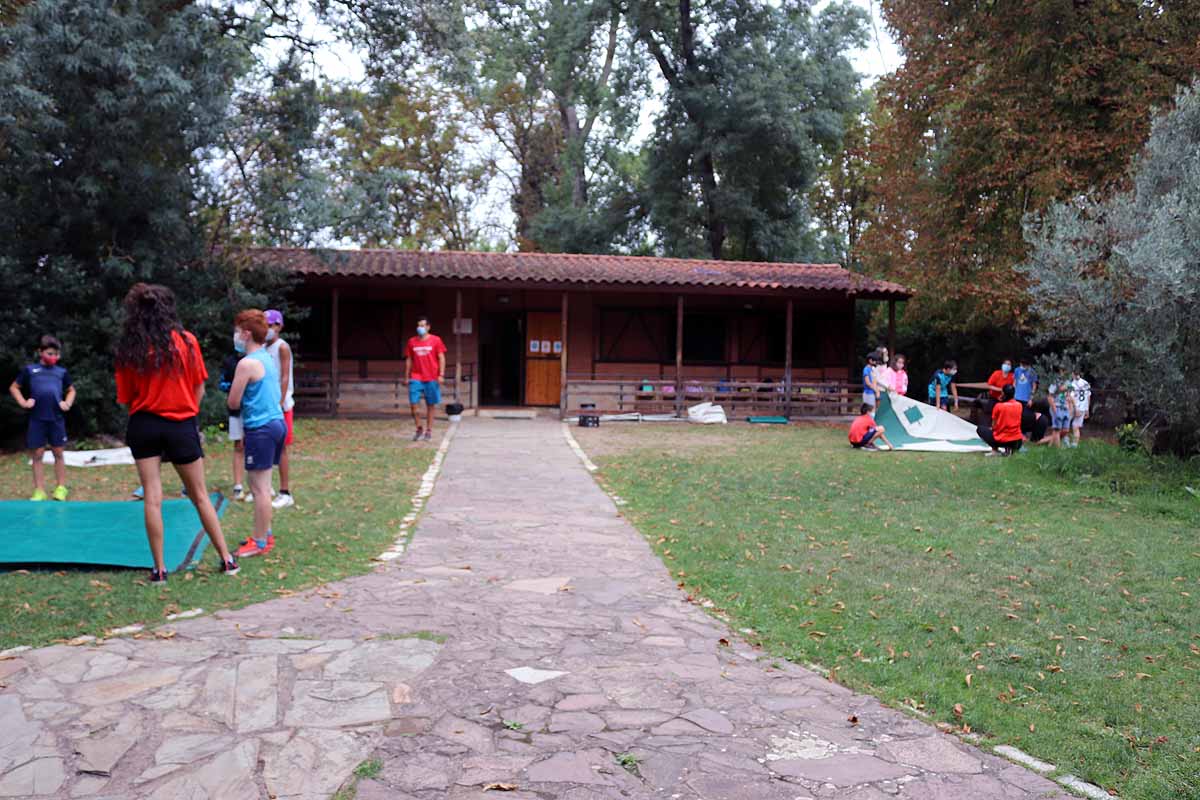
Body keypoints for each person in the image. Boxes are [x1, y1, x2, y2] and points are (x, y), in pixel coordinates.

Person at [114, 284, 238, 582]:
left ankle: (159, 569)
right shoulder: (187, 342)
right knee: (199, 495)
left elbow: (127, 397)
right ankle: (227, 559)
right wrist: (188, 418)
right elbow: (199, 386)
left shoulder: (129, 348)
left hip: (144, 424)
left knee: (152, 498)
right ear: (168, 309)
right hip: (181, 424)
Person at [229, 309, 288, 559]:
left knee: (260, 488)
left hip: (261, 429)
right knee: (264, 485)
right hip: (275, 425)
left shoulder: (247, 363)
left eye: (236, 331)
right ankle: (266, 532)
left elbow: (233, 401)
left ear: (246, 333)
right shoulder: (266, 357)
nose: (235, 336)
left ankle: (261, 541)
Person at [9, 335, 75, 501]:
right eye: (50, 353)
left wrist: (67, 403)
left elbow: (71, 390)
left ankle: (61, 488)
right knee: (37, 454)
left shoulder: (61, 372)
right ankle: (39, 490)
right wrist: (23, 402)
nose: (53, 357)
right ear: (40, 352)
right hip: (37, 419)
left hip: (56, 419)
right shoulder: (30, 370)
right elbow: (14, 387)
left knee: (58, 452)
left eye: (56, 354)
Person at [264, 309, 295, 509]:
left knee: (281, 448)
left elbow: (284, 376)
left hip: (281, 405)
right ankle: (266, 486)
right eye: (264, 325)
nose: (267, 329)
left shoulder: (282, 347)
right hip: (265, 404)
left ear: (279, 326)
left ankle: (285, 491)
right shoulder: (262, 348)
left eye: (271, 325)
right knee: (264, 446)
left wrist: (280, 401)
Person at [405, 315, 447, 441]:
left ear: (428, 327)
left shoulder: (436, 340)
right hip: (416, 377)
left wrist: (441, 375)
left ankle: (428, 430)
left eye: (423, 325)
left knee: (430, 405)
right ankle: (419, 427)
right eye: (418, 325)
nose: (420, 328)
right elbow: (409, 359)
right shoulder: (411, 341)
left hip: (431, 377)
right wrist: (406, 376)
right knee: (413, 404)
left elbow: (441, 358)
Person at [219, 350, 247, 501]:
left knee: (256, 444)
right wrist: (236, 385)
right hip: (236, 410)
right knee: (239, 445)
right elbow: (222, 384)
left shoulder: (259, 358)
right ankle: (238, 485)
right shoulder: (230, 361)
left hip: (255, 409)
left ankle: (261, 484)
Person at [978, 384, 1024, 456]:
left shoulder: (999, 406)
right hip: (1018, 441)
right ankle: (1009, 449)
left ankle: (995, 450)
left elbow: (994, 425)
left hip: (1003, 440)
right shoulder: (1019, 405)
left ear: (1003, 394)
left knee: (980, 429)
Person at [1047, 376, 1074, 447]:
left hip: (1065, 408)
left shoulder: (1068, 383)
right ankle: (1058, 449)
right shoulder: (1055, 383)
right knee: (1057, 429)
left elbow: (1069, 396)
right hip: (1057, 407)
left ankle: (1050, 444)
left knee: (1066, 430)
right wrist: (1055, 409)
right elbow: (1050, 397)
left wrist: (1070, 407)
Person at [1069, 371, 1092, 446]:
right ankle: (1074, 444)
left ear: (1073, 374)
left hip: (1074, 407)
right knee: (1075, 426)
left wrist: (1075, 408)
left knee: (1067, 425)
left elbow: (1071, 397)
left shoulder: (1072, 384)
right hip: (1083, 407)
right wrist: (1087, 409)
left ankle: (1069, 443)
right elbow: (1088, 397)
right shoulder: (1086, 383)